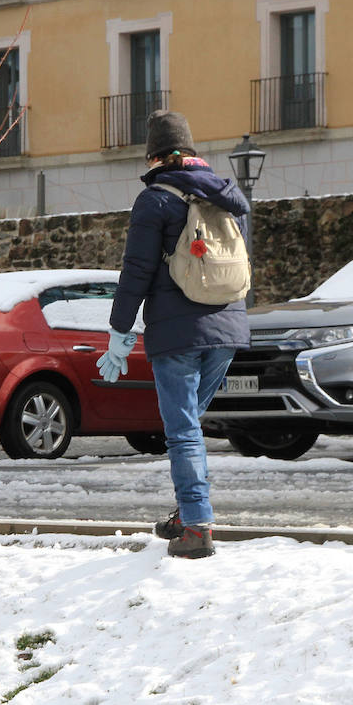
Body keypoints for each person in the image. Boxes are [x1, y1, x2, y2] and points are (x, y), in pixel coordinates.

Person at [97, 110, 251, 559]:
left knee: (182, 431)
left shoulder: (155, 200)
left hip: (177, 334)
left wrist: (119, 330)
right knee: (188, 428)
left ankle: (197, 527)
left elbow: (137, 271)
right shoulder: (227, 196)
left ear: (154, 156)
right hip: (227, 330)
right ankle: (187, 512)